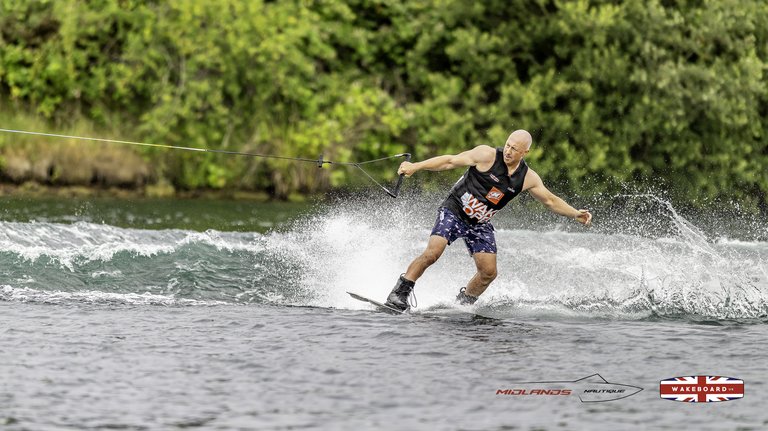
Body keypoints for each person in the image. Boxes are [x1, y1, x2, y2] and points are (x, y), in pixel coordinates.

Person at [384, 129, 592, 311]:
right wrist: (416, 166)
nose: (509, 151)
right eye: (507, 146)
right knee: (433, 253)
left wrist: (575, 213)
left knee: (488, 273)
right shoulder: (487, 155)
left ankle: (462, 304)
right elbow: (450, 161)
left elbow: (550, 200)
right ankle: (398, 294)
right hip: (454, 210)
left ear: (525, 152)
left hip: (479, 223)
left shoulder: (528, 178)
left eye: (514, 149)